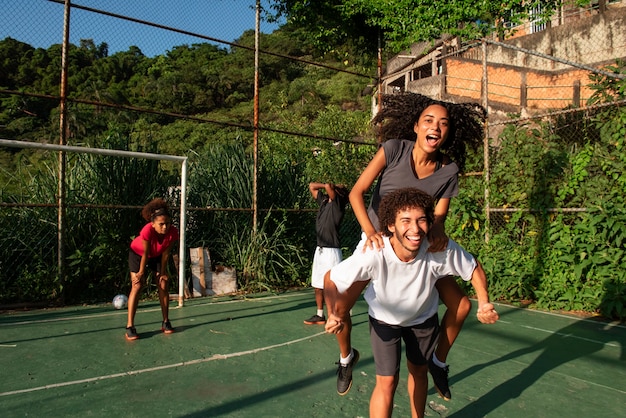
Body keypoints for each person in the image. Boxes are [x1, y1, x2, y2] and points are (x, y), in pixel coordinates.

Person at [335, 92, 486, 399]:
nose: (436, 127)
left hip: (418, 240)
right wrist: (370, 231)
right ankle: (346, 358)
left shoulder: (449, 169)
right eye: (429, 120)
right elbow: (356, 192)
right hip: (379, 240)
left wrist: (439, 229)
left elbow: (439, 213)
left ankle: (438, 362)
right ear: (416, 126)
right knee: (340, 303)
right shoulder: (393, 150)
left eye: (444, 124)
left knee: (463, 304)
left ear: (448, 133)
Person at [324, 188, 498, 417]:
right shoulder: (375, 252)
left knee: (419, 373)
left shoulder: (438, 248)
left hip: (422, 320)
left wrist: (484, 301)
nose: (415, 229)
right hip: (384, 322)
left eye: (421, 220)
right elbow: (331, 278)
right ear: (391, 225)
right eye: (405, 221)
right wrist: (334, 314)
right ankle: (346, 358)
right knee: (387, 382)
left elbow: (473, 267)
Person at [125, 198, 179, 340]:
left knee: (163, 283)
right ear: (153, 223)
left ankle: (166, 321)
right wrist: (141, 273)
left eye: (167, 223)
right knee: (137, 285)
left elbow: (166, 254)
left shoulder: (173, 232)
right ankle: (130, 326)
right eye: (161, 224)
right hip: (138, 254)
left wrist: (163, 273)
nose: (165, 227)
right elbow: (145, 253)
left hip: (157, 256)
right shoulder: (147, 230)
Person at [304, 182, 349, 325]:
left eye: (337, 190)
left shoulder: (338, 205)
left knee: (332, 286)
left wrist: (333, 186)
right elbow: (312, 186)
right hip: (320, 250)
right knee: (318, 285)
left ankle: (335, 315)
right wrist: (328, 186)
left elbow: (329, 186)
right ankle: (320, 315)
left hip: (332, 252)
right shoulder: (324, 202)